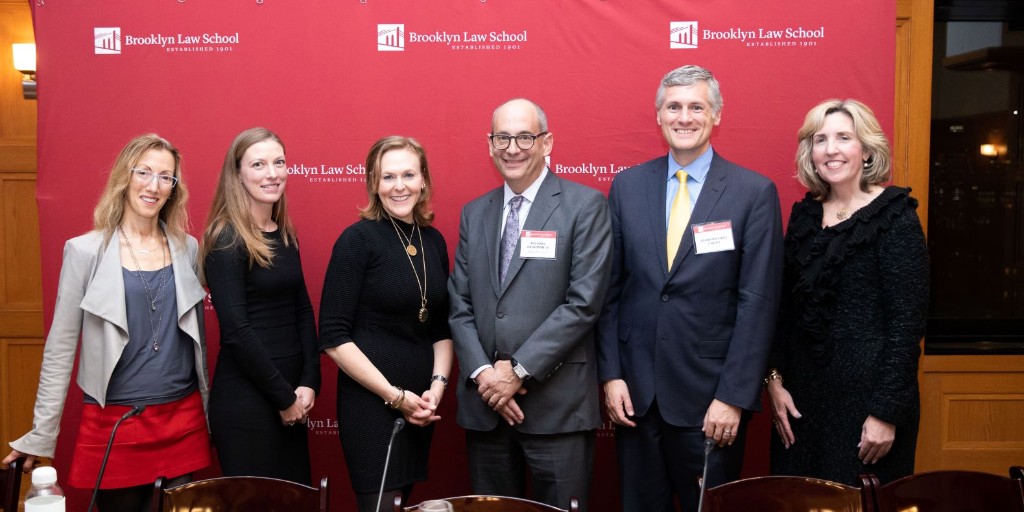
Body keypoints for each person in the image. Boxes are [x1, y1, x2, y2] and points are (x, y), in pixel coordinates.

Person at [596, 65, 784, 511]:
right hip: (637, 398)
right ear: (658, 116)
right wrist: (611, 374)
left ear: (716, 115)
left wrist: (733, 397)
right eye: (673, 107)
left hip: (710, 401)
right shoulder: (627, 186)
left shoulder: (753, 192)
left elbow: (757, 304)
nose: (684, 117)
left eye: (696, 107)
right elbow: (609, 291)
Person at [3, 134, 210, 511]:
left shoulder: (188, 247)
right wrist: (42, 433)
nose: (154, 186)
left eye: (165, 177)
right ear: (124, 177)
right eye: (143, 172)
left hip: (182, 417)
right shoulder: (84, 252)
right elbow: (60, 349)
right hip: (115, 421)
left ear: (174, 188)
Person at [448, 98, 612, 511]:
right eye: (502, 138)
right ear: (490, 144)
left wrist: (517, 371)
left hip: (557, 408)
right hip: (487, 407)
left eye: (524, 137)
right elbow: (459, 304)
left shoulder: (585, 206)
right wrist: (486, 375)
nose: (512, 148)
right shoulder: (474, 213)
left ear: (546, 142)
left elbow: (583, 303)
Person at [767, 99, 928, 485]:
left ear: (867, 150)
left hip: (868, 410)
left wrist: (886, 411)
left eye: (844, 138)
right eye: (820, 140)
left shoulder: (895, 218)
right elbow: (785, 309)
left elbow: (907, 327)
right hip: (800, 406)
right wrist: (772, 380)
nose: (831, 149)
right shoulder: (804, 216)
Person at [319, 136, 453, 512]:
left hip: (421, 406)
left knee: (401, 503)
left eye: (408, 174)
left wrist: (436, 389)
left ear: (423, 179)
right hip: (372, 406)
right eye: (387, 176)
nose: (399, 186)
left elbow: (441, 328)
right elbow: (333, 336)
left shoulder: (433, 241)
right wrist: (395, 397)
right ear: (373, 184)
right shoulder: (357, 240)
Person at [199, 127, 320, 484]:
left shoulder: (284, 232)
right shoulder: (226, 238)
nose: (272, 173)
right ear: (237, 174)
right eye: (258, 164)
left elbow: (301, 309)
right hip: (248, 404)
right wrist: (284, 398)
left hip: (293, 398)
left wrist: (309, 381)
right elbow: (237, 331)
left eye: (279, 162)